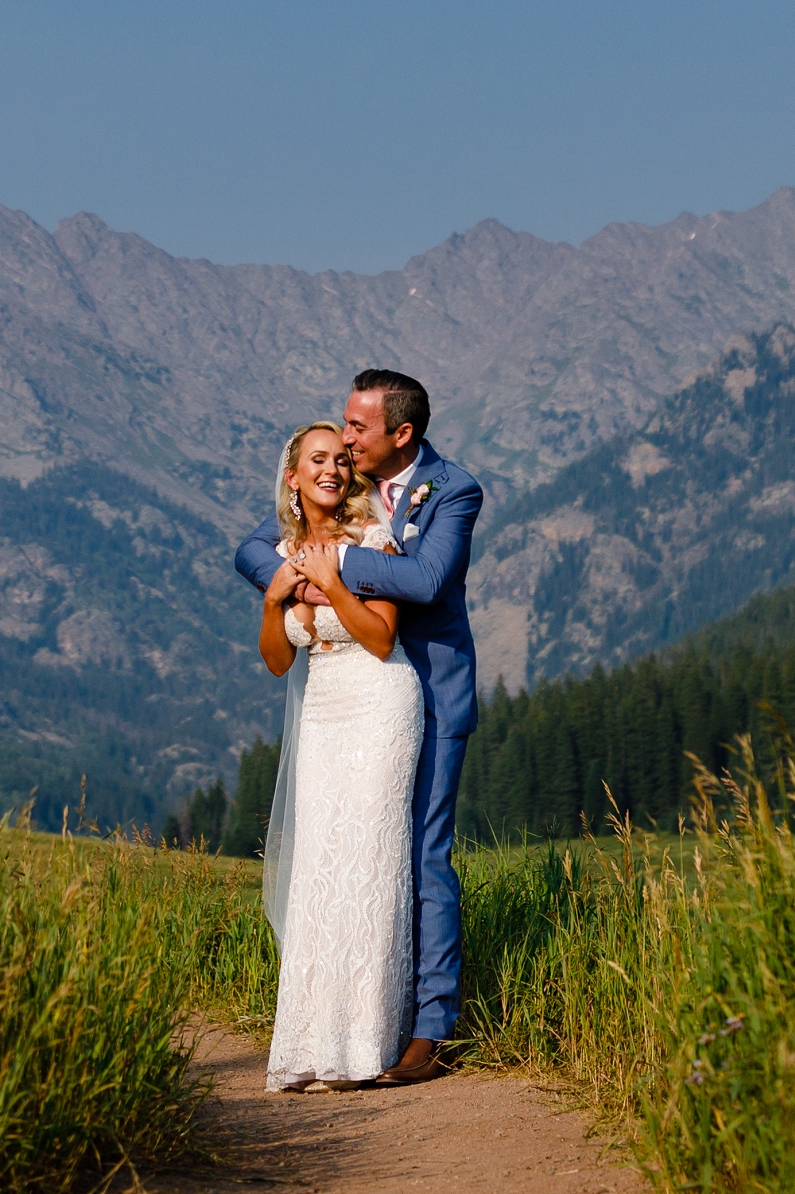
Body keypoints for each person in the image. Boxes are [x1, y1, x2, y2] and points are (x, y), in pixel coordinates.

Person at [232, 367, 483, 1085]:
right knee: (344, 861)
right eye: (339, 430)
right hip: (333, 704)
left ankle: (429, 1029)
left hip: (420, 693)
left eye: (356, 430)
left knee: (421, 857)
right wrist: (285, 578)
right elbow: (255, 547)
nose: (344, 441)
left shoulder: (451, 491)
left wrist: (335, 565)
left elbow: (428, 580)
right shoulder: (336, 494)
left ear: (399, 435)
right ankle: (342, 1019)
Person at [251, 419, 419, 1089]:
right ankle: (312, 1045)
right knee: (321, 865)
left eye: (340, 459)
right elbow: (275, 660)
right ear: (293, 476)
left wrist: (336, 581)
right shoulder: (284, 552)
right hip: (322, 713)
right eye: (317, 459)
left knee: (369, 860)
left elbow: (381, 638)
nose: (333, 468)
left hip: (382, 704)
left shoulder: (373, 539)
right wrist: (273, 601)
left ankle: (362, 1046)